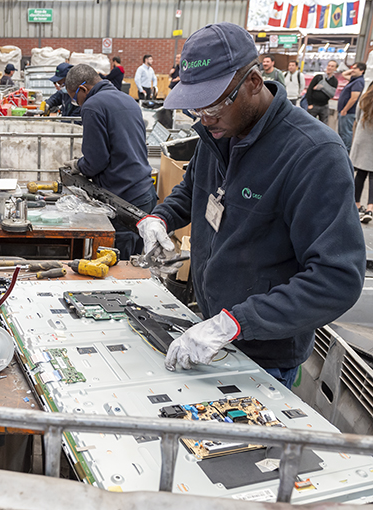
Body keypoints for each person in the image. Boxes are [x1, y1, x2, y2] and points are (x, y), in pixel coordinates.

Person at [137, 22, 365, 389]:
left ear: (254, 83)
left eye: (212, 106)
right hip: (211, 333)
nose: (204, 119)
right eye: (196, 109)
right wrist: (159, 218)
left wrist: (235, 321)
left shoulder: (313, 155)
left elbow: (336, 279)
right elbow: (193, 190)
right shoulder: (219, 133)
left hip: (265, 356)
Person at [63, 64, 157, 259]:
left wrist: (78, 165)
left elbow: (96, 161)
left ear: (83, 89)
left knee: (117, 267)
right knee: (135, 262)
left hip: (122, 199)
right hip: (145, 194)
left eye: (74, 98)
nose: (76, 103)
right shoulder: (128, 100)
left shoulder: (92, 106)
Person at [351, 82, 373, 223]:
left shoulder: (364, 99)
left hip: (363, 137)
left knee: (360, 174)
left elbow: (357, 118)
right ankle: (371, 207)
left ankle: (356, 205)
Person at [338, 62, 367, 152]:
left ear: (362, 71)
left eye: (355, 68)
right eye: (352, 68)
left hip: (348, 112)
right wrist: (353, 70)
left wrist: (345, 109)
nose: (352, 70)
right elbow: (343, 74)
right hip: (345, 111)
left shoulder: (358, 82)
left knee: (346, 133)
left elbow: (354, 98)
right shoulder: (354, 79)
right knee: (342, 132)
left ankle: (345, 151)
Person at [306, 60, 338, 125]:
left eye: (332, 66)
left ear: (335, 69)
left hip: (324, 106)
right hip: (313, 106)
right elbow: (309, 90)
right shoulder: (318, 77)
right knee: (308, 124)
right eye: (329, 65)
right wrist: (310, 104)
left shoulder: (334, 81)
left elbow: (332, 94)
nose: (329, 67)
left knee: (323, 125)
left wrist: (322, 87)